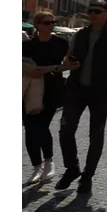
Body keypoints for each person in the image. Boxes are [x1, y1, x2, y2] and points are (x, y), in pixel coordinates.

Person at [56, 0, 107, 195]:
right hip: (76, 88)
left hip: (101, 90)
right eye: (90, 11)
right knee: (65, 130)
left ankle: (87, 176)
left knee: (96, 135)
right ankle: (72, 168)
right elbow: (67, 57)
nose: (92, 14)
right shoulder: (80, 34)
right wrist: (67, 63)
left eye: (97, 11)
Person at [23, 12, 70, 185]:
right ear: (37, 25)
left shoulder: (61, 43)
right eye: (47, 22)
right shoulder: (27, 45)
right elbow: (25, 69)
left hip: (52, 90)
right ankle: (37, 167)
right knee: (29, 128)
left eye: (53, 22)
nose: (51, 25)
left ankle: (49, 161)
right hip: (29, 90)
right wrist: (53, 67)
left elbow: (68, 64)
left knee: (42, 126)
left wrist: (53, 68)